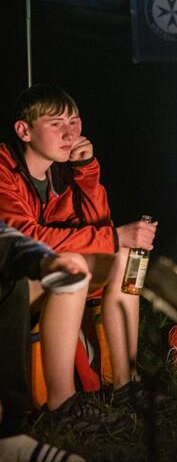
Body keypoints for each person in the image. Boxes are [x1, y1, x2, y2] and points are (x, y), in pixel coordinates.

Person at [0, 84, 157, 415]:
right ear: (24, 131)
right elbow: (26, 237)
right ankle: (64, 404)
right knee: (72, 264)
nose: (70, 133)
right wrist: (115, 237)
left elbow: (99, 225)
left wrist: (86, 173)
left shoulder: (63, 173)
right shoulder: (3, 168)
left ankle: (125, 384)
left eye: (74, 122)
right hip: (10, 282)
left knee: (127, 259)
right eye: (56, 123)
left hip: (42, 276)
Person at [0, 221, 118, 451]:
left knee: (116, 258)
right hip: (35, 258)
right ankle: (23, 424)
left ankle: (123, 383)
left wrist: (43, 260)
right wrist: (113, 236)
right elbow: (26, 228)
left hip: (39, 255)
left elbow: (7, 237)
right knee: (16, 279)